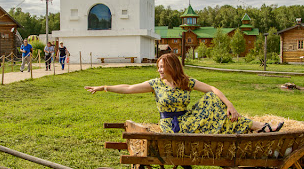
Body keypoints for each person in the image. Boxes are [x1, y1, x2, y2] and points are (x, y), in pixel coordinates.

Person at [85, 53, 283, 134]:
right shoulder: (156, 84)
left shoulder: (185, 82)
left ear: (172, 66)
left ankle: (256, 126)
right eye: (159, 67)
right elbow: (128, 88)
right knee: (216, 114)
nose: (159, 70)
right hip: (171, 125)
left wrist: (230, 105)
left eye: (162, 67)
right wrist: (104, 87)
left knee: (213, 99)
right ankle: (259, 127)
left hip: (188, 119)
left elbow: (213, 89)